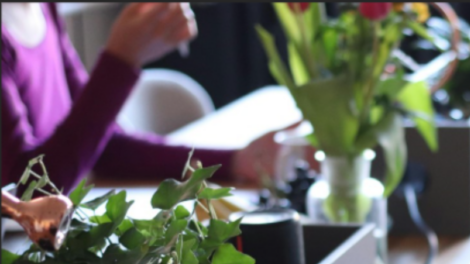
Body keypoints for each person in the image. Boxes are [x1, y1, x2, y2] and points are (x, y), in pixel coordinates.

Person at [1, 3, 280, 192]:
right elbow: (24, 194)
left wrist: (236, 161)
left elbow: (103, 148)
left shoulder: (43, 8)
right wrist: (121, 60)